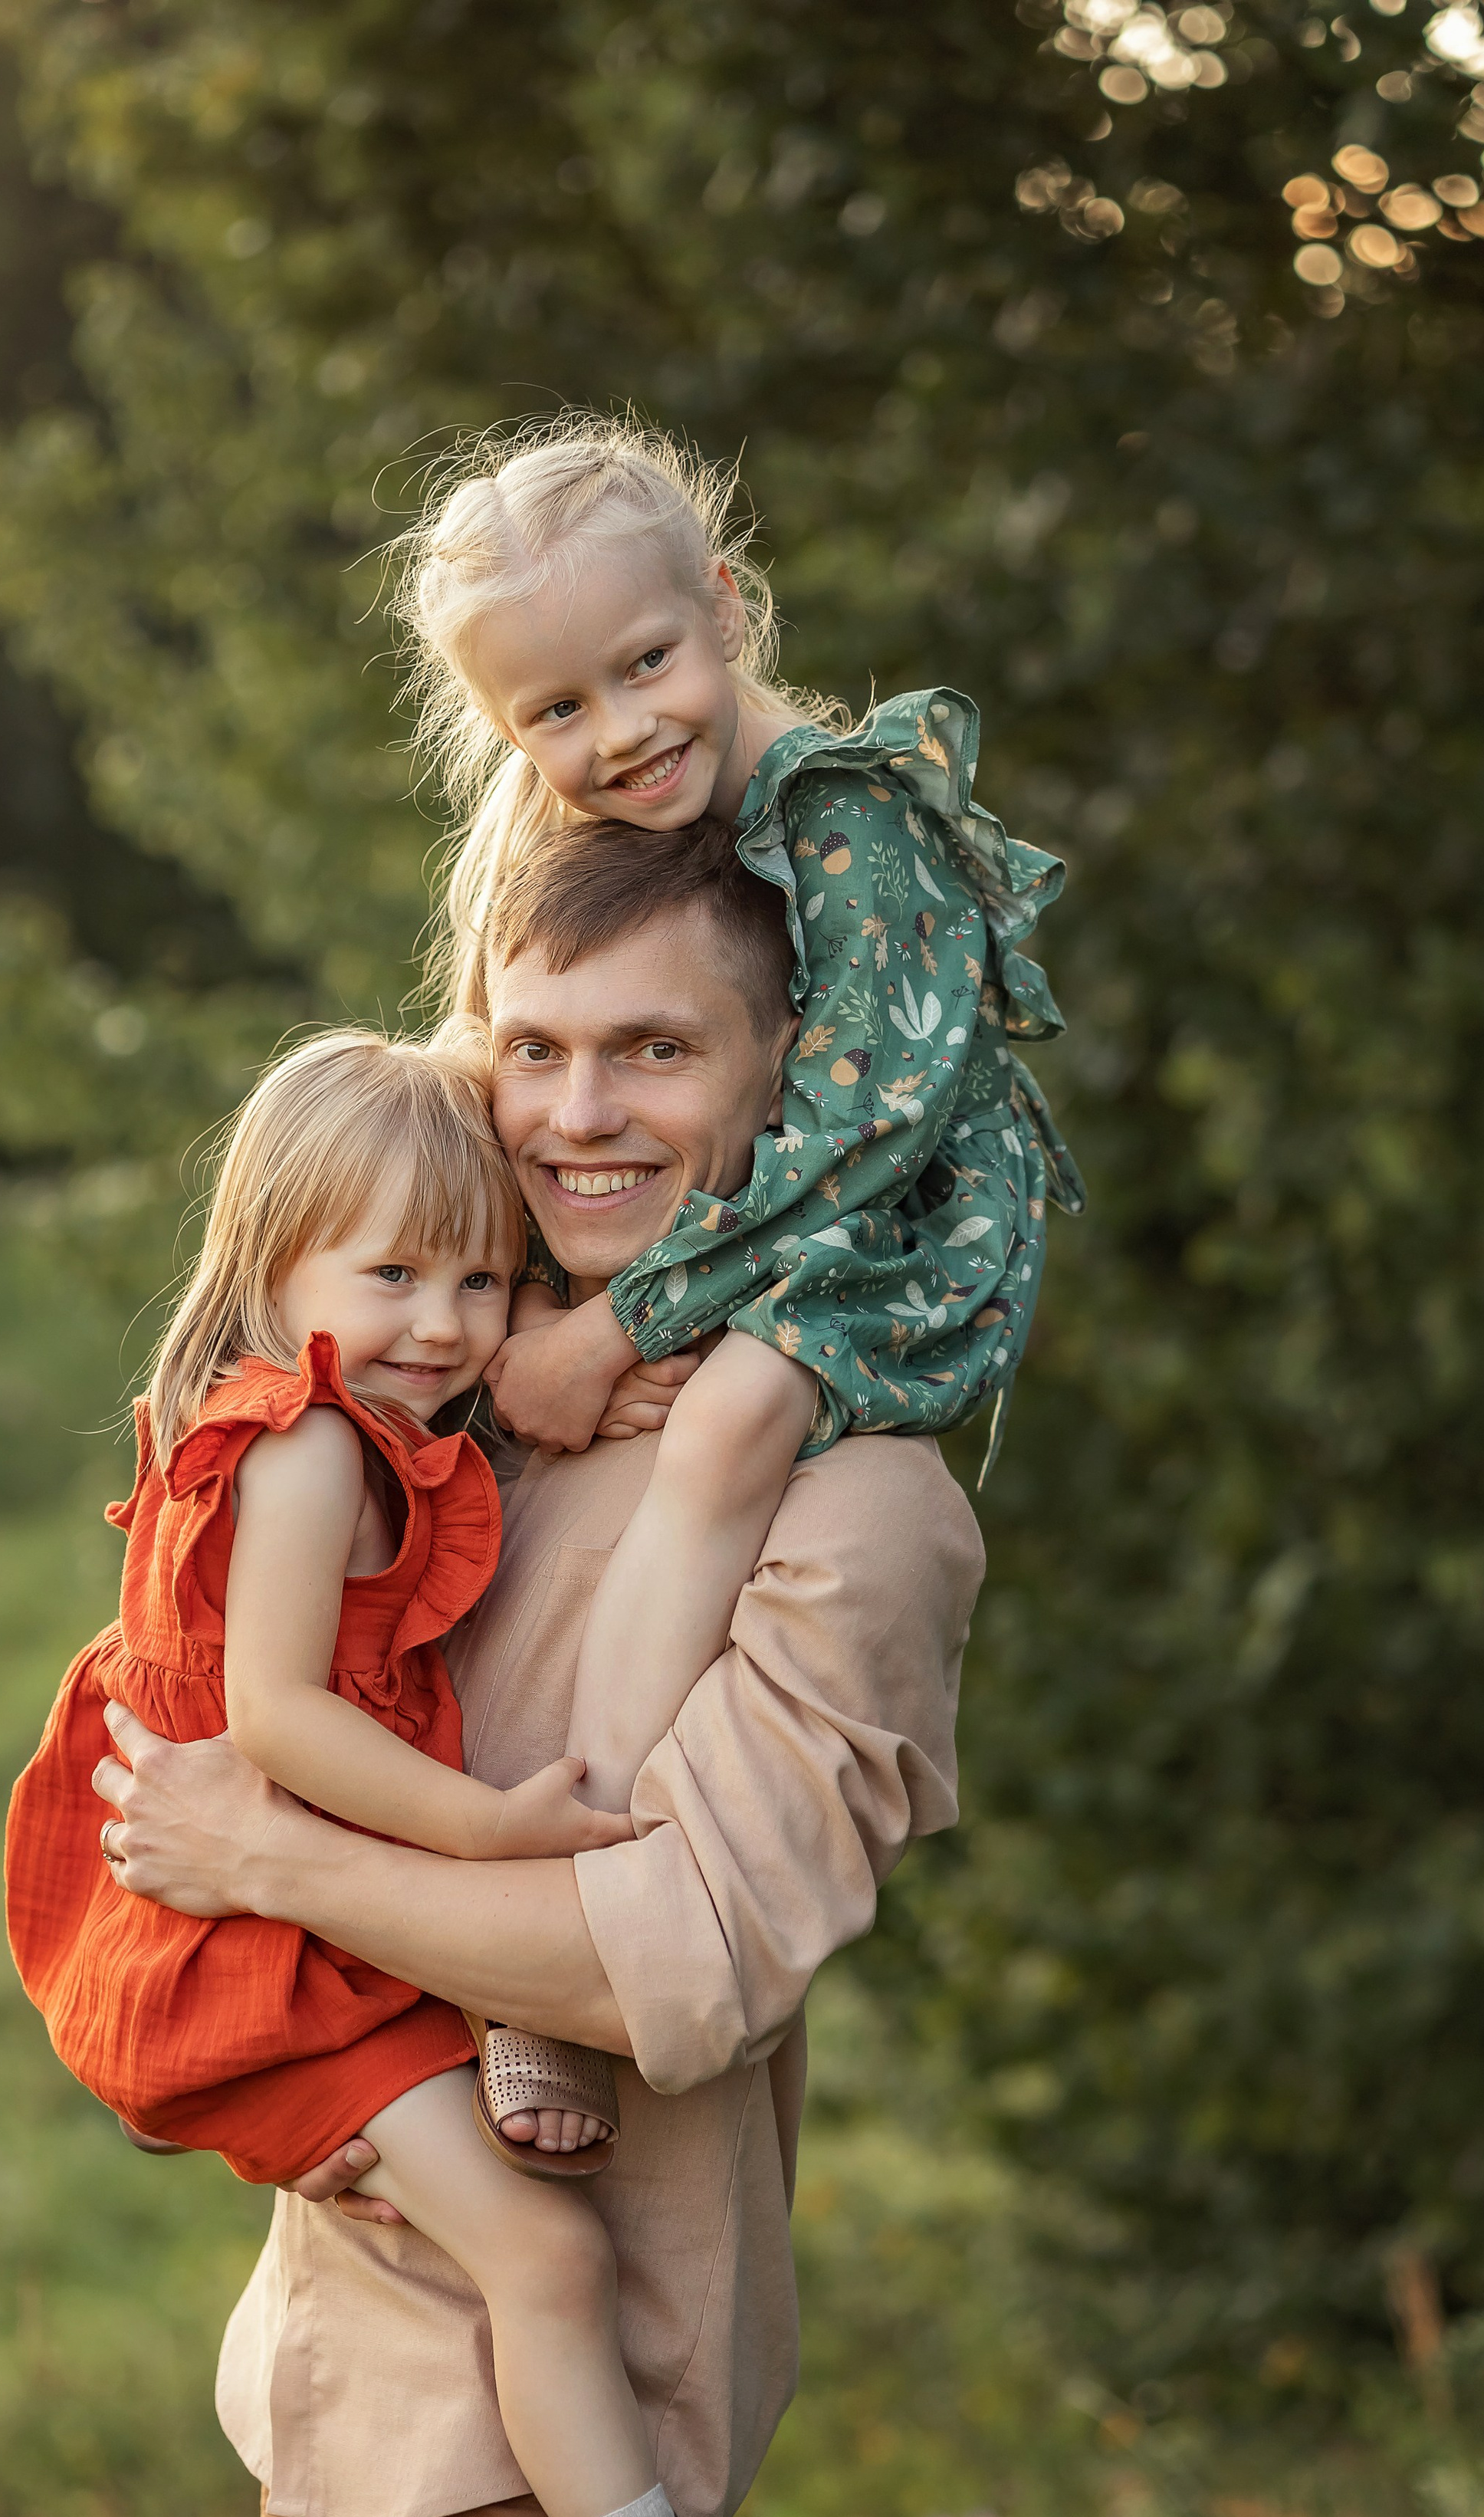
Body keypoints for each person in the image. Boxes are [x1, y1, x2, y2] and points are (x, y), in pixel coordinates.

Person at [90, 818, 992, 2517]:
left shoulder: (856, 1518)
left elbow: (651, 1966)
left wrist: (262, 1844)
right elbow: (212, 1664)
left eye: (659, 1049)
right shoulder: (456, 1405)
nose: (582, 1113)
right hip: (317, 2378)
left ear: (790, 1076)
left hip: (533, 2457)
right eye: (538, 1047)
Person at [4, 1021, 876, 2517]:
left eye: (481, 1277)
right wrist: (489, 1837)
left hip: (286, 1931)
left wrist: (603, 1372)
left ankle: (490, 2055)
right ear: (270, 1268)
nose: (444, 1321)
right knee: (545, 2264)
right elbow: (283, 1727)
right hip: (254, 1953)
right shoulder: (310, 1450)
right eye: (390, 1273)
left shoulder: (347, 1418)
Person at [390, 412, 1083, 1813]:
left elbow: (861, 1148)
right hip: (718, 1224)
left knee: (725, 1417)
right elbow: (504, 1066)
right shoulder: (549, 825)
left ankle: (597, 1812)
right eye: (560, 710)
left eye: (648, 663)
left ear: (723, 600)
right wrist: (534, 1318)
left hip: (887, 1224)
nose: (627, 732)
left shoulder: (850, 819)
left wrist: (623, 1325)